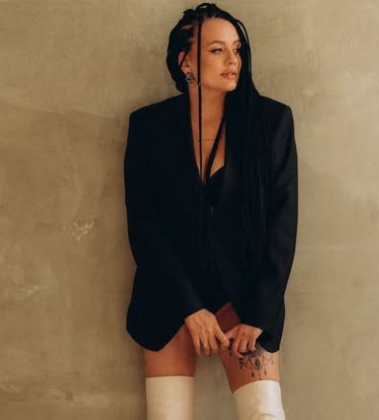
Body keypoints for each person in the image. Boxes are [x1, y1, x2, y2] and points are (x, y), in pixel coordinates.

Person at [123, 3, 298, 419]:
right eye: (218, 50)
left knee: (265, 414)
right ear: (185, 61)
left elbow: (283, 224)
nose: (233, 60)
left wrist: (260, 312)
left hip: (245, 300)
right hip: (170, 297)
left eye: (237, 49)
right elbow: (144, 225)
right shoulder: (150, 127)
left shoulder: (271, 122)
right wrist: (190, 307)